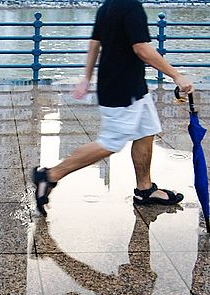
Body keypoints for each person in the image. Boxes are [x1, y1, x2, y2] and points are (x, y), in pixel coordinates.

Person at [31, 0, 194, 216]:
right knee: (110, 143)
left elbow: (94, 43)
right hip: (122, 89)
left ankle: (144, 190)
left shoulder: (107, 6)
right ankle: (50, 176)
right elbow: (142, 49)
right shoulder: (131, 6)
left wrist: (87, 78)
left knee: (146, 131)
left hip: (131, 86)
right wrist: (177, 75)